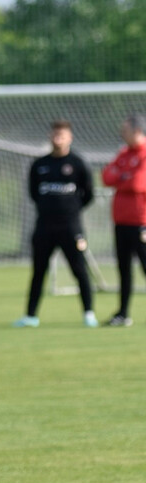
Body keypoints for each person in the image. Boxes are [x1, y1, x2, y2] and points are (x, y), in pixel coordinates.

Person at [14, 119, 97, 328]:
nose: (57, 138)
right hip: (44, 227)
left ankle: (89, 313)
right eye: (55, 134)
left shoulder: (78, 164)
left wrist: (70, 210)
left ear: (70, 137)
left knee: (79, 270)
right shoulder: (39, 165)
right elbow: (33, 193)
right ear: (50, 136)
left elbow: (89, 195)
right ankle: (30, 316)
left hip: (70, 227)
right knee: (38, 272)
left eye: (62, 134)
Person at [100, 113, 146, 326]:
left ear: (137, 131)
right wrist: (124, 176)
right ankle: (123, 313)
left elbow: (137, 184)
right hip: (121, 223)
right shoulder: (124, 153)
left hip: (142, 223)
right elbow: (106, 177)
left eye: (125, 130)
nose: (122, 134)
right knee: (123, 271)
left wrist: (122, 176)